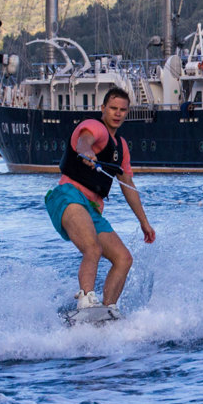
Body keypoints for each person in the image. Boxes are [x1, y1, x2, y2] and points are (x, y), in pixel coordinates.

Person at [45, 87, 155, 315]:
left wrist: (144, 222)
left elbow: (128, 186)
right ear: (103, 108)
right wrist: (86, 151)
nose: (117, 113)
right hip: (68, 197)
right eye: (113, 108)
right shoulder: (96, 127)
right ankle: (85, 301)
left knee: (123, 259)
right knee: (92, 248)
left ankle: (107, 311)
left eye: (123, 110)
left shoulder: (121, 148)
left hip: (93, 210)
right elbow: (85, 140)